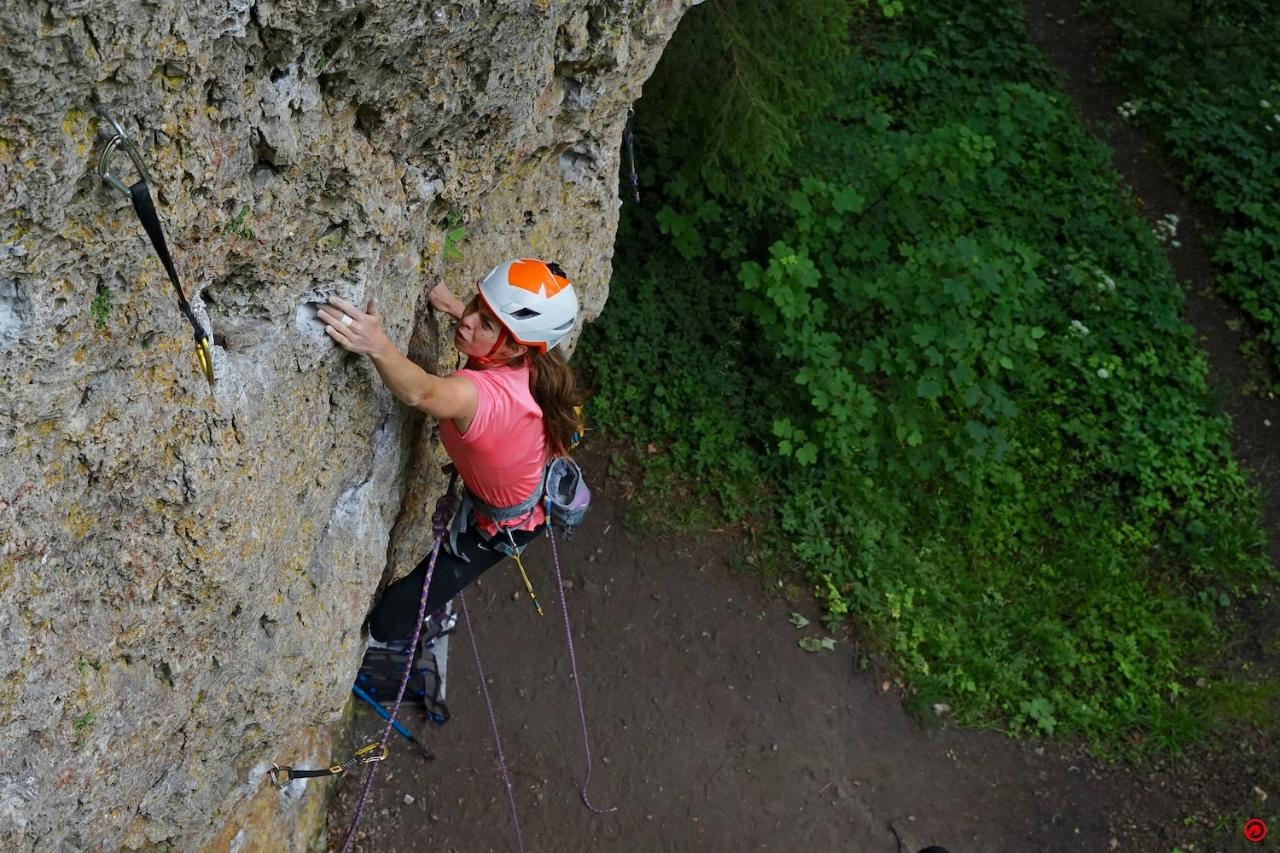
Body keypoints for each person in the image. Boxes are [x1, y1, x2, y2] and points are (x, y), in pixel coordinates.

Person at [317, 258, 583, 642]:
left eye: (485, 323)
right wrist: (456, 306)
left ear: (513, 349)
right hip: (534, 481)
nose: (469, 320)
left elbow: (420, 391)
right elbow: (489, 329)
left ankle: (433, 622)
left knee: (388, 622)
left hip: (503, 527)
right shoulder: (533, 359)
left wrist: (376, 345)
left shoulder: (481, 396)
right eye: (476, 304)